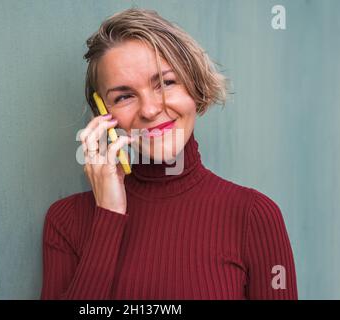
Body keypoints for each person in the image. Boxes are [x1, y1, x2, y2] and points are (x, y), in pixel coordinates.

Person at [40, 8, 298, 300]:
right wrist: (108, 216)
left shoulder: (253, 216)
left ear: (194, 85)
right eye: (124, 96)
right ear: (103, 113)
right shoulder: (66, 222)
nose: (150, 110)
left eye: (165, 83)